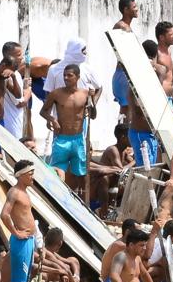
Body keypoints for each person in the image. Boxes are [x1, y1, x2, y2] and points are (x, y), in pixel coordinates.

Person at [40, 64, 94, 197]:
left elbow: (93, 115)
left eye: (70, 75)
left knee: (81, 174)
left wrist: (93, 99)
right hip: (62, 139)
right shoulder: (56, 93)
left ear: (78, 77)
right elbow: (43, 111)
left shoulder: (85, 94)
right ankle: (56, 197)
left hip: (78, 139)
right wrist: (52, 120)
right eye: (64, 75)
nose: (66, 78)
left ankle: (83, 202)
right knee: (56, 171)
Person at [0, 160, 37, 282]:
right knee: (18, 279)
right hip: (20, 241)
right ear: (21, 175)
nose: (32, 177)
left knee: (25, 279)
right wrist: (15, 232)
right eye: (30, 174)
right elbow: (4, 214)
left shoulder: (26, 193)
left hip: (29, 240)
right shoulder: (14, 192)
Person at [88, 123, 133, 217]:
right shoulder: (113, 150)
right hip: (98, 189)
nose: (132, 138)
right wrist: (133, 162)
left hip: (110, 187)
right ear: (123, 137)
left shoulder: (123, 151)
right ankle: (104, 212)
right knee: (105, 178)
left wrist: (135, 161)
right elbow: (121, 169)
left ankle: (112, 210)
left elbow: (130, 165)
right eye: (130, 136)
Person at [42, 38, 102, 102]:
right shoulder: (54, 69)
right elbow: (48, 92)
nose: (86, 53)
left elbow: (99, 87)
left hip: (83, 111)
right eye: (83, 51)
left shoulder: (87, 69)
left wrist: (93, 103)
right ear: (76, 50)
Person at [111, 0, 138, 119]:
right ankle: (123, 136)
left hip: (126, 73)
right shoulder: (122, 27)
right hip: (123, 73)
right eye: (134, 7)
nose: (137, 9)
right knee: (127, 110)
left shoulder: (126, 26)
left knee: (128, 109)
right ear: (126, 10)